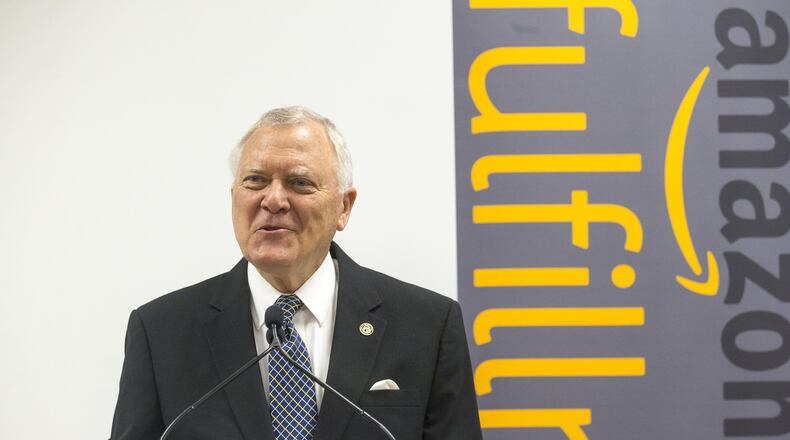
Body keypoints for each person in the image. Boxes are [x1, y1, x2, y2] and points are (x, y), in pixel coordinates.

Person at [110, 106, 482, 440]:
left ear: (343, 207)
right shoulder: (162, 333)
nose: (272, 200)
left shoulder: (426, 326)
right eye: (255, 180)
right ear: (234, 196)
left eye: (299, 182)